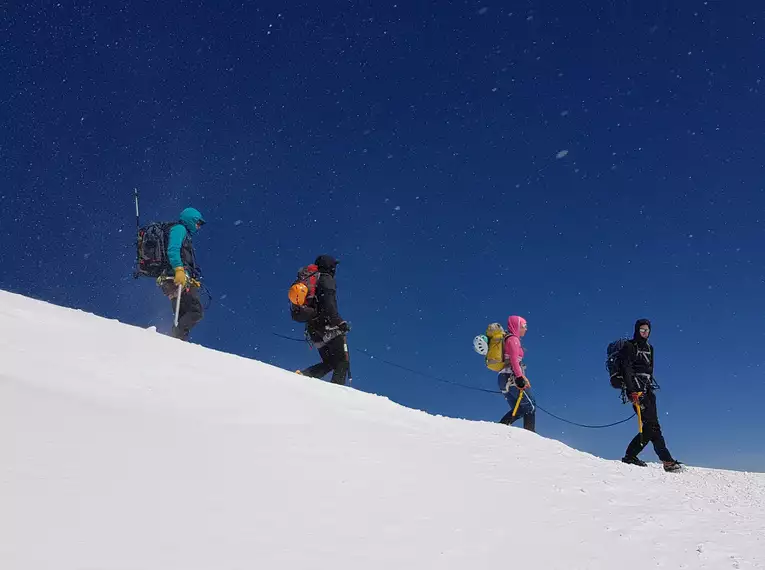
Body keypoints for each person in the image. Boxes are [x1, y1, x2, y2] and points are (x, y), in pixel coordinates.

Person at [620, 319, 682, 472]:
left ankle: (665, 460)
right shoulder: (629, 346)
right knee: (651, 425)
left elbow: (650, 370)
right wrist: (631, 391)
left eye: (647, 330)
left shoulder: (650, 348)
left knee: (653, 425)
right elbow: (626, 369)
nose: (645, 333)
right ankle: (634, 456)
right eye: (642, 330)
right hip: (636, 391)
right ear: (636, 330)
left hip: (648, 391)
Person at [296, 255, 350, 385]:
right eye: (334, 266)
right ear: (330, 267)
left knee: (330, 362)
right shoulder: (326, 279)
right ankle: (337, 393)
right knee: (342, 361)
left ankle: (303, 376)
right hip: (326, 326)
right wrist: (340, 322)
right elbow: (328, 304)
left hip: (313, 328)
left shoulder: (311, 279)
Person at [159, 207, 206, 341]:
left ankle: (178, 343)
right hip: (176, 277)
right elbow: (173, 250)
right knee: (195, 311)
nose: (198, 226)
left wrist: (191, 278)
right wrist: (179, 270)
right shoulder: (180, 229)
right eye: (198, 222)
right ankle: (176, 339)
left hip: (174, 278)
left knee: (182, 314)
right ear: (191, 220)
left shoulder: (183, 232)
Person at [498, 315, 535, 432]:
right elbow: (514, 360)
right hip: (511, 378)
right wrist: (519, 378)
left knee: (519, 409)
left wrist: (523, 376)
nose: (526, 329)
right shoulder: (513, 339)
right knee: (531, 406)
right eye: (524, 326)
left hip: (503, 379)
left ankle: (499, 428)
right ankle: (531, 435)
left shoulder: (507, 339)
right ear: (517, 326)